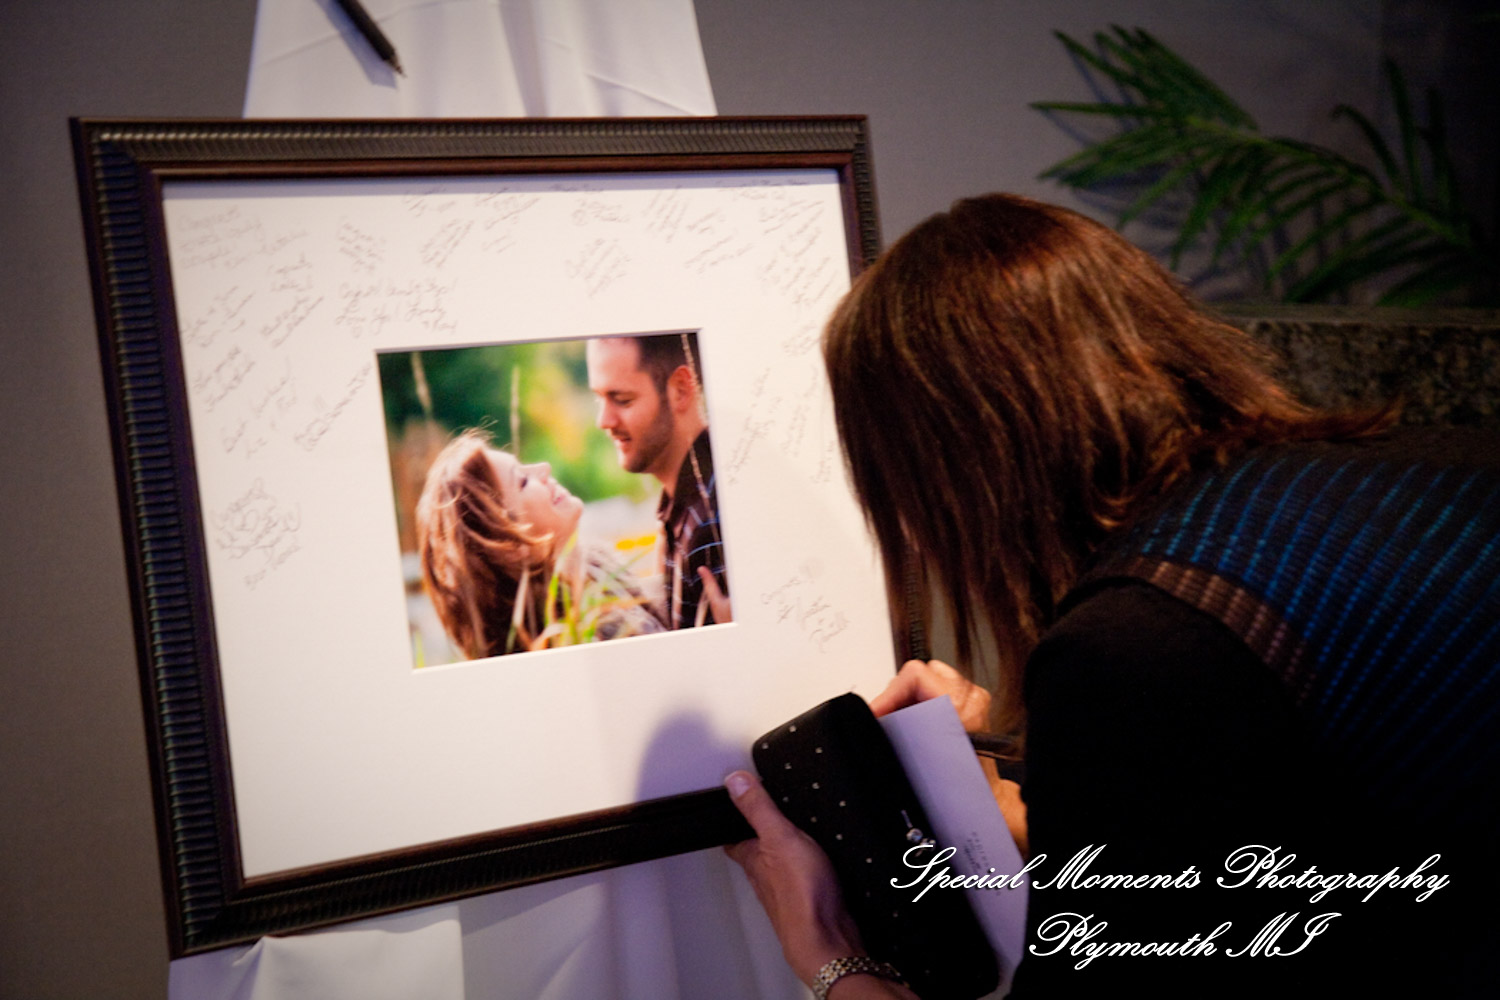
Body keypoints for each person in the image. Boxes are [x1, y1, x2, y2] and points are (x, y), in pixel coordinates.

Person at [723, 194, 1500, 998]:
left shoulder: (1135, 647)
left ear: (943, 470)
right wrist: (1039, 812)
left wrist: (829, 954)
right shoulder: (1430, 471)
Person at [416, 429, 663, 659]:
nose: (544, 468)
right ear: (506, 546)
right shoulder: (576, 641)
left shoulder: (597, 568)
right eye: (522, 481)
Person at [586, 332, 731, 629]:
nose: (603, 421)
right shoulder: (683, 503)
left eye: (622, 400)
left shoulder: (712, 521)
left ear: (680, 390)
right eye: (598, 398)